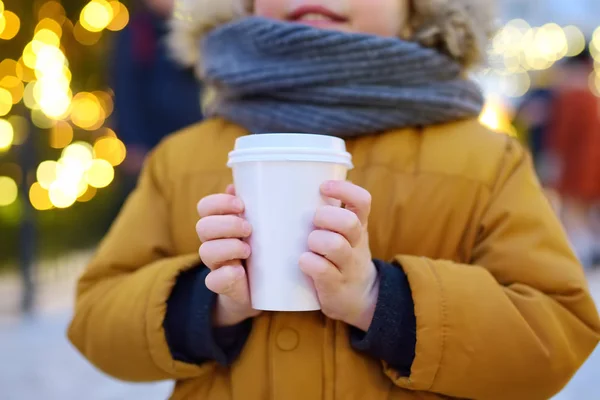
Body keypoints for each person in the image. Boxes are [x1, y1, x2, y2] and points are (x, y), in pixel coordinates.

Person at [68, 1, 600, 399]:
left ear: (418, 9)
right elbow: (96, 319)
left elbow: (556, 330)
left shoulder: (486, 161)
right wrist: (211, 305)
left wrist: (380, 300)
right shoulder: (179, 160)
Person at [111, 0, 203, 176]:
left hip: (188, 136)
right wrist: (134, 141)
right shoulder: (136, 32)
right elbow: (126, 92)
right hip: (149, 138)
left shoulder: (191, 30)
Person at [545, 48, 600, 268]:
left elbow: (562, 133)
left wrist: (554, 159)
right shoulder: (590, 96)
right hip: (590, 161)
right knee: (583, 210)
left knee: (572, 209)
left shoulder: (571, 96)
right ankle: (588, 250)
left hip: (576, 163)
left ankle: (581, 253)